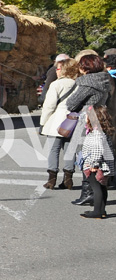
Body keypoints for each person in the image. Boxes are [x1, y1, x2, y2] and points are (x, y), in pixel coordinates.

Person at [66, 54, 114, 206]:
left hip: (87, 120)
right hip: (101, 118)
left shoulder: (88, 83)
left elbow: (71, 103)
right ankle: (96, 194)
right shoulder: (106, 80)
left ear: (85, 67)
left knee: (85, 156)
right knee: (98, 157)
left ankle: (88, 193)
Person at [39, 58, 79, 189]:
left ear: (63, 70)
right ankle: (68, 179)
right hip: (73, 119)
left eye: (58, 68)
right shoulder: (78, 84)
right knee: (69, 149)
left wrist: (42, 123)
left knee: (53, 149)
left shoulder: (56, 84)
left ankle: (51, 179)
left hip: (58, 119)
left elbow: (49, 106)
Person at [78, 105, 114, 219]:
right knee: (102, 187)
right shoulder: (101, 131)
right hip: (102, 165)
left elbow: (98, 149)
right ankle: (101, 210)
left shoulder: (97, 134)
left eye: (88, 116)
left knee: (96, 187)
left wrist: (94, 165)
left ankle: (97, 211)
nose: (86, 118)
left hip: (96, 165)